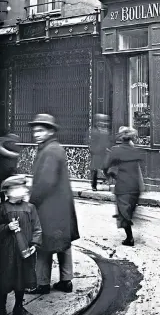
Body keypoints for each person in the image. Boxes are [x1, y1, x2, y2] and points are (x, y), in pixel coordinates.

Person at [28, 114, 79, 295]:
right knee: (63, 242)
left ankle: (41, 284)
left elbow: (44, 182)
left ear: (50, 131)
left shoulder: (49, 151)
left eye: (41, 130)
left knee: (43, 244)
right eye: (35, 130)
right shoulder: (55, 148)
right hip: (61, 206)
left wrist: (31, 203)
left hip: (49, 207)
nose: (37, 134)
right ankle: (66, 280)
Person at [0, 175, 42, 315]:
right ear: (8, 192)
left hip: (24, 253)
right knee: (5, 278)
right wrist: (7, 227)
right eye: (19, 188)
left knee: (22, 279)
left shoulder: (31, 208)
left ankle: (18, 306)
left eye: (24, 187)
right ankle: (1, 308)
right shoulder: (3, 208)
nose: (24, 190)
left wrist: (35, 244)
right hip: (7, 254)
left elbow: (37, 228)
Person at [103, 126, 145, 246]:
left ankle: (129, 238)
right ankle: (129, 230)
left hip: (123, 186)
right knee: (129, 211)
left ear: (121, 137)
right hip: (135, 187)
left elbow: (105, 165)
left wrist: (109, 175)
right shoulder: (136, 150)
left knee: (123, 213)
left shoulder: (115, 150)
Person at [88, 114, 112, 191]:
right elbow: (91, 142)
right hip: (97, 154)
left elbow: (107, 141)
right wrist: (93, 151)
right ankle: (94, 186)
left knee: (106, 169)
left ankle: (111, 183)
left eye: (104, 121)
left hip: (104, 153)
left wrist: (107, 148)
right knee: (94, 170)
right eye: (101, 121)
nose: (103, 123)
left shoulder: (106, 131)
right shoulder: (94, 131)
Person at [0, 134, 21, 203]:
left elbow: (8, 154)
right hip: (7, 170)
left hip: (5, 171)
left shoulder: (5, 144)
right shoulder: (13, 146)